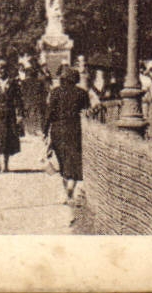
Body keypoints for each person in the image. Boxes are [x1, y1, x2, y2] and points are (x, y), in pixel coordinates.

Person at [45, 66, 89, 201]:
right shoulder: (82, 93)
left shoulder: (55, 92)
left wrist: (45, 130)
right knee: (74, 159)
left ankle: (67, 189)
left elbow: (49, 113)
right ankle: (70, 187)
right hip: (75, 128)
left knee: (62, 159)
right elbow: (87, 111)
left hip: (58, 129)